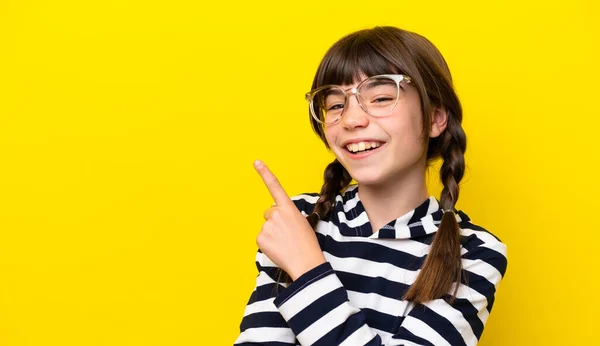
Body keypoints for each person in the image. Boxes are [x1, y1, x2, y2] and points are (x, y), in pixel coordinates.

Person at [234, 26, 508, 346]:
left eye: (380, 98)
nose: (351, 120)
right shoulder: (298, 221)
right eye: (336, 104)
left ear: (435, 117)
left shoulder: (473, 253)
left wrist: (308, 270)